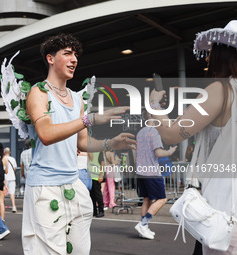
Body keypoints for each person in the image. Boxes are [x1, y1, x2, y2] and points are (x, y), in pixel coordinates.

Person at [22, 33, 136, 254]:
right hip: (45, 188)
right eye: (67, 54)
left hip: (73, 184)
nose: (74, 59)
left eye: (75, 55)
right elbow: (45, 133)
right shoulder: (39, 92)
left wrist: (110, 143)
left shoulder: (77, 99)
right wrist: (90, 119)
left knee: (80, 251)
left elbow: (83, 143)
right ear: (50, 58)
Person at [149, 20, 237, 254]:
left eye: (212, 52)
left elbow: (171, 133)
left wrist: (154, 105)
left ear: (224, 55)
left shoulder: (222, 90)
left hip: (223, 202)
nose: (207, 58)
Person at [134, 111, 177, 240]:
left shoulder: (140, 132)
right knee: (162, 199)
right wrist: (170, 151)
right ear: (153, 117)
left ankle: (144, 228)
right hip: (152, 172)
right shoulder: (154, 132)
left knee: (147, 199)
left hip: (141, 171)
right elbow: (158, 153)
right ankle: (143, 224)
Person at [89, 152, 105, 217]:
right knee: (91, 195)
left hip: (96, 177)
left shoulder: (99, 151)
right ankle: (94, 211)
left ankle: (101, 211)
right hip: (90, 177)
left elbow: (102, 163)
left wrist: (101, 175)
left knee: (98, 195)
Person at [4, 147, 17, 212]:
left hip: (4, 178)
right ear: (10, 152)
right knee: (12, 192)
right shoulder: (13, 159)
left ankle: (2, 206)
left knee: (3, 193)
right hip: (12, 177)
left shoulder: (3, 159)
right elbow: (14, 169)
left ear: (4, 152)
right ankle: (14, 206)